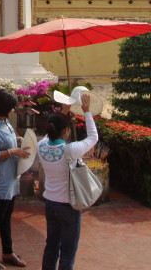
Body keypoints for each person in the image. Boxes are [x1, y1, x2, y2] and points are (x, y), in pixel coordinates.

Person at [38, 94, 98, 270]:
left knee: (51, 247)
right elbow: (93, 138)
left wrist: (64, 112)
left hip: (50, 203)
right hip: (68, 206)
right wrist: (87, 112)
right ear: (66, 131)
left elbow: (49, 134)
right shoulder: (70, 150)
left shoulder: (41, 146)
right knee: (67, 252)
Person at [0, 90, 30, 269]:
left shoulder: (6, 123)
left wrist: (18, 140)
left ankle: (8, 251)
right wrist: (13, 151)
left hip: (10, 179)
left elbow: (9, 143)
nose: (13, 110)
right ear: (4, 108)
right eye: (11, 107)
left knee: (6, 218)